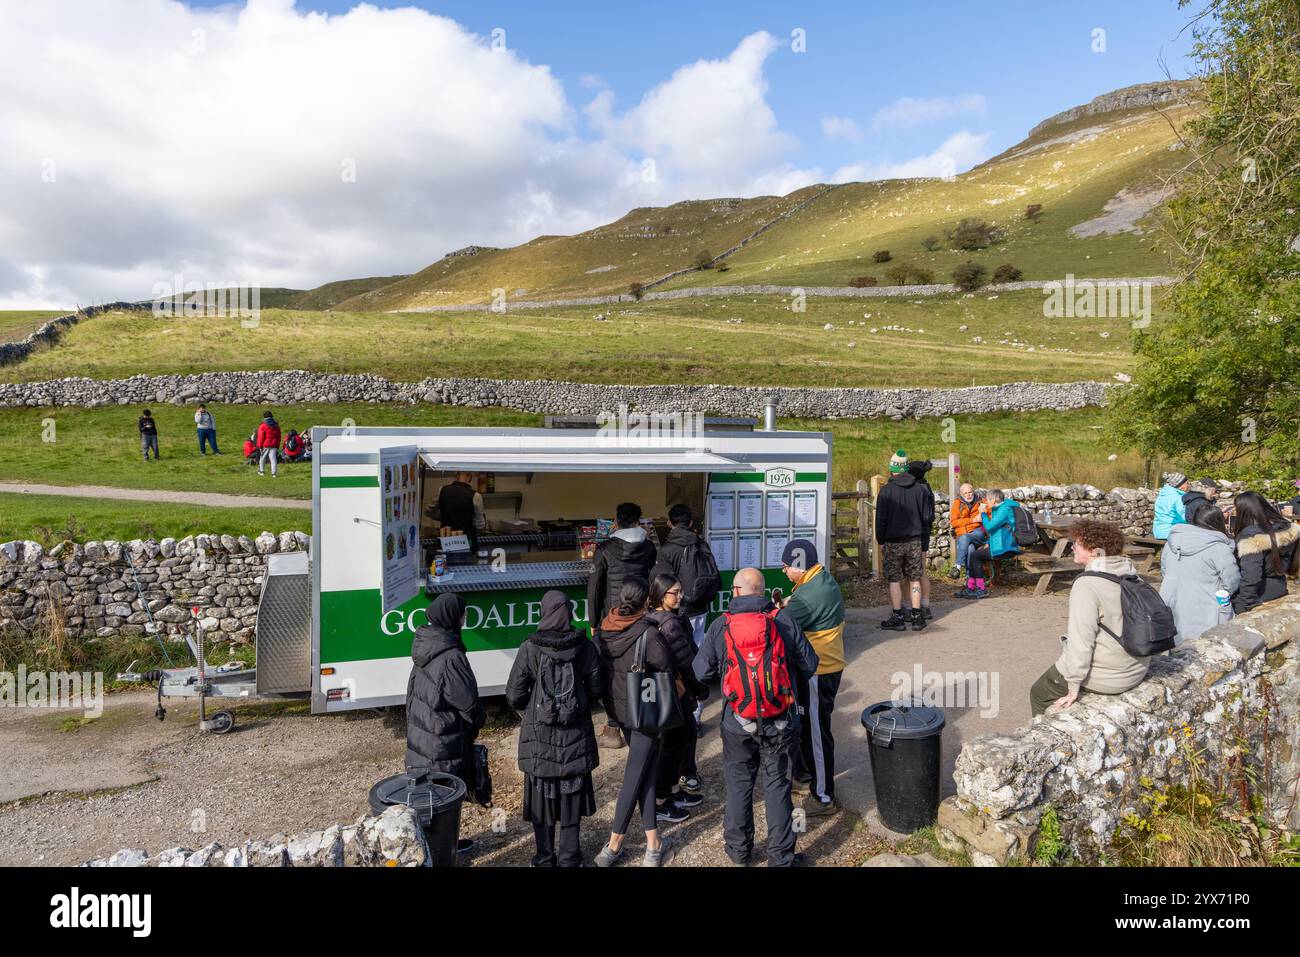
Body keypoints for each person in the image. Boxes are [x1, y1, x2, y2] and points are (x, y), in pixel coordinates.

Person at [693, 567, 818, 867]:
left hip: (737, 721)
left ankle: (738, 851)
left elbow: (700, 672)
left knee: (738, 786)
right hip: (781, 721)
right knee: (777, 787)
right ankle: (781, 858)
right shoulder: (782, 620)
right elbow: (810, 664)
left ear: (735, 592)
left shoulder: (721, 625)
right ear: (762, 592)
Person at [505, 590, 605, 867]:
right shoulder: (584, 646)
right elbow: (597, 688)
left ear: (544, 612)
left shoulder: (530, 647)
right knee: (572, 797)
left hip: (540, 737)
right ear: (569, 613)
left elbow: (514, 694)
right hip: (575, 735)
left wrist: (532, 711)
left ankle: (544, 858)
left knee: (542, 799)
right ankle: (571, 858)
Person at [593, 578, 677, 867]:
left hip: (618, 709)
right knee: (634, 776)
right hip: (645, 711)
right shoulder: (648, 634)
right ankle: (614, 845)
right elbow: (666, 666)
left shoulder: (604, 628)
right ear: (645, 602)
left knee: (645, 771)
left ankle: (654, 843)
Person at [1029, 520, 1151, 716]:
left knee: (1039, 692)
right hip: (1136, 669)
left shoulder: (1088, 584)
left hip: (1108, 676)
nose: (1073, 547)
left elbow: (1081, 639)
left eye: (1077, 543)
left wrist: (1074, 683)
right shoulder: (1133, 575)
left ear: (1094, 551)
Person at [405, 593, 485, 854]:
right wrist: (477, 724)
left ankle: (440, 846)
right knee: (444, 799)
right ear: (453, 618)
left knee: (430, 800)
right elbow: (468, 705)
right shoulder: (451, 656)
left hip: (422, 738)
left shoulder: (425, 645)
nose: (464, 619)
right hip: (443, 741)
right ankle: (442, 852)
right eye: (462, 614)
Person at [779, 539, 845, 818]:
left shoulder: (806, 597)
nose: (783, 571)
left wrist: (781, 608)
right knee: (808, 726)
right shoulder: (820, 577)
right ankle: (806, 776)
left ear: (799, 566)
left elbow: (780, 625)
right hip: (826, 666)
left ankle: (824, 795)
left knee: (816, 734)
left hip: (818, 672)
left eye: (786, 566)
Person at [588, 502, 658, 749]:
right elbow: (652, 579)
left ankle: (613, 727)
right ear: (638, 522)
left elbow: (594, 588)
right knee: (639, 664)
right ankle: (637, 717)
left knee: (611, 669)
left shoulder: (605, 549)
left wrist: (594, 622)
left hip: (612, 617)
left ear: (615, 522)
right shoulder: (648, 547)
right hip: (640, 614)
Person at [650, 503, 721, 739]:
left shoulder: (667, 549)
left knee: (677, 662)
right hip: (700, 608)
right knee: (698, 659)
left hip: (678, 612)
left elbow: (659, 579)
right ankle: (697, 718)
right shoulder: (701, 543)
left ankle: (678, 714)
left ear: (670, 523)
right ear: (691, 523)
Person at [644, 573, 707, 817]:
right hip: (675, 693)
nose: (680, 596)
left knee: (681, 739)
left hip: (668, 693)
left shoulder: (661, 618)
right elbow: (686, 660)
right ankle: (660, 802)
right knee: (671, 747)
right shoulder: (669, 623)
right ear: (661, 595)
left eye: (681, 591)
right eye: (675, 592)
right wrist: (700, 687)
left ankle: (670, 791)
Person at [1160, 507, 1240, 645]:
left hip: (1171, 601)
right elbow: (1232, 580)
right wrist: (1223, 594)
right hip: (1206, 607)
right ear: (1219, 522)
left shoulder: (1172, 543)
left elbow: (1164, 569)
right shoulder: (1219, 548)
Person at [875, 450, 933, 631]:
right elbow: (926, 518)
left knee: (894, 580)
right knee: (915, 579)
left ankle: (898, 616)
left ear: (892, 469)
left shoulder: (886, 491)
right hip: (915, 541)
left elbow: (881, 519)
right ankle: (917, 616)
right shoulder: (919, 489)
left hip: (893, 541)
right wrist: (924, 543)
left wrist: (881, 539)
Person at [1231, 490, 1300, 614]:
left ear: (1244, 510)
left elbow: (1251, 576)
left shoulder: (1251, 536)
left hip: (1261, 593)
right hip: (1280, 586)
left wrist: (1246, 604)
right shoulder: (1286, 526)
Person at [956, 488, 1023, 599]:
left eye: (987, 500)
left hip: (1006, 548)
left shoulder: (1004, 510)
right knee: (975, 555)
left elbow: (989, 527)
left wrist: (982, 514)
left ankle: (980, 589)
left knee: (975, 556)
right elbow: (998, 530)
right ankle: (971, 587)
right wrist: (988, 542)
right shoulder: (1000, 508)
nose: (986, 502)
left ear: (993, 500)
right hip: (1000, 545)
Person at [902, 459, 936, 620]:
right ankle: (926, 606)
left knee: (908, 572)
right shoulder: (927, 488)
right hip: (925, 533)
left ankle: (907, 606)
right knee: (922, 571)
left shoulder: (913, 489)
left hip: (913, 534)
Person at [949, 483, 988, 579]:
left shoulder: (981, 502)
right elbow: (954, 522)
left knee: (965, 537)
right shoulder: (957, 504)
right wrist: (973, 520)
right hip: (964, 534)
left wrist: (983, 515)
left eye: (970, 492)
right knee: (970, 549)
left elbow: (989, 514)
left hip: (978, 533)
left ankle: (957, 565)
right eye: (965, 493)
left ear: (973, 492)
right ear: (961, 494)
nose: (968, 495)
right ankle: (970, 580)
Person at [436, 472, 486, 548]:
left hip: (446, 540)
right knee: (467, 559)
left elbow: (429, 511)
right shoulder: (476, 496)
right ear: (470, 477)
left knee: (446, 559)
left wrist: (444, 516)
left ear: (456, 475)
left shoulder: (442, 490)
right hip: (467, 541)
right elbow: (479, 525)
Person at [1152, 471, 1190, 539]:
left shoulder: (1161, 496)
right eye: (1187, 483)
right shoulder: (1178, 498)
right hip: (1172, 532)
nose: (1188, 485)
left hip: (1158, 532)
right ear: (1181, 485)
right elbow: (1185, 516)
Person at [255, 410, 281, 478]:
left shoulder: (263, 426)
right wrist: (278, 445)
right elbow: (279, 436)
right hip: (274, 444)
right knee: (273, 459)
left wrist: (259, 446)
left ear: (264, 417)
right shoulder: (276, 425)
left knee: (262, 458)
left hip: (266, 444)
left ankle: (261, 471)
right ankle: (274, 473)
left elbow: (261, 437)